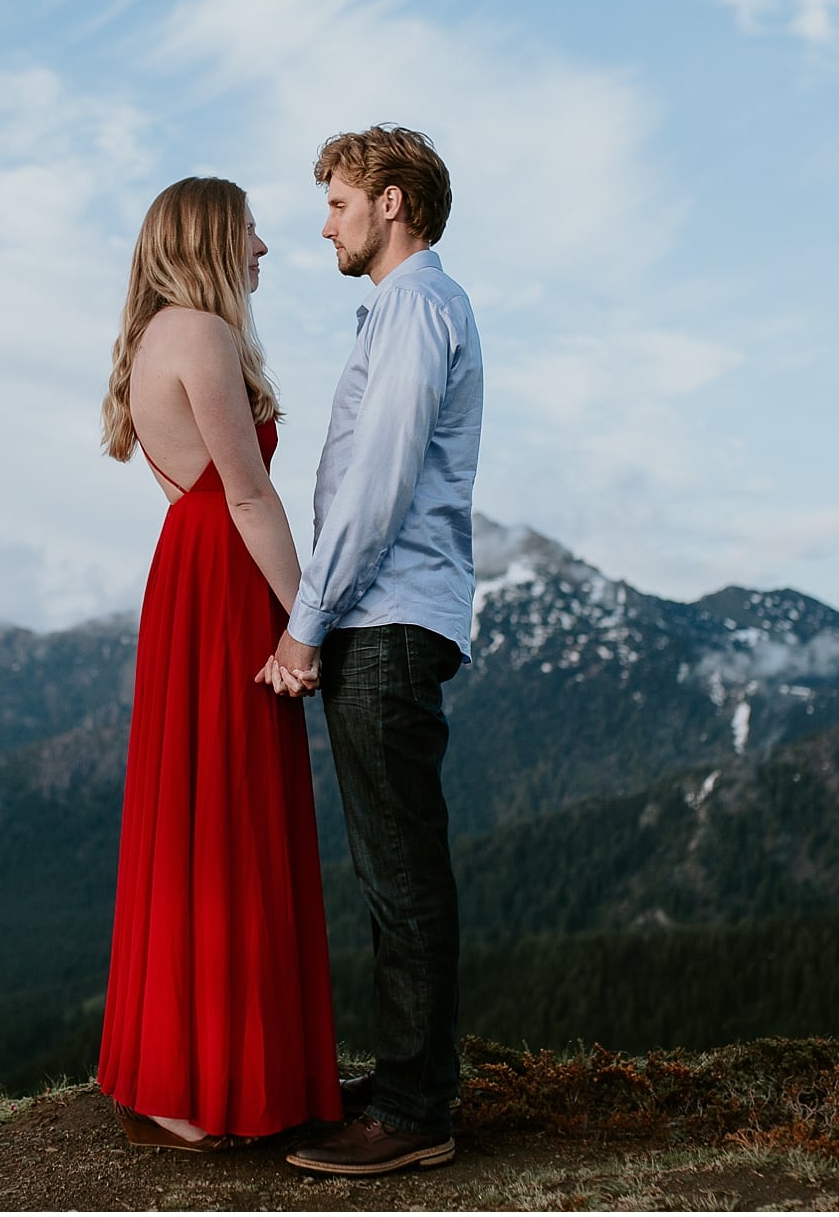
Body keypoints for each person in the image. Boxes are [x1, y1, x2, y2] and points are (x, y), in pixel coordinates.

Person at [96, 176, 344, 1151]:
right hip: (223, 579)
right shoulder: (198, 332)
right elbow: (246, 499)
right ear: (208, 239)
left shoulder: (163, 332)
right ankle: (206, 1084)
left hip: (189, 579)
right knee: (229, 820)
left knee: (194, 824)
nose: (265, 249)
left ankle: (191, 1074)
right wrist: (310, 619)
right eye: (249, 232)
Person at [263, 126, 483, 1177]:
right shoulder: (410, 309)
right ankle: (408, 1083)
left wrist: (307, 621)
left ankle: (410, 1113)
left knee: (400, 875)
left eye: (340, 203)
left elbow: (375, 484)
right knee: (391, 873)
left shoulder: (411, 310)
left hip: (385, 618)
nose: (325, 223)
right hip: (388, 616)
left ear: (392, 203)